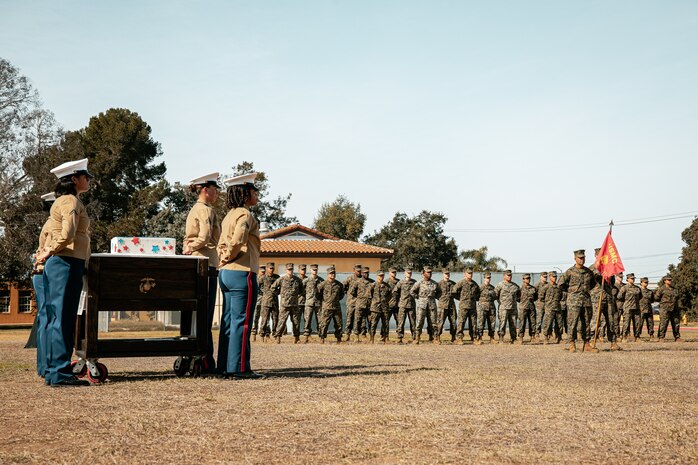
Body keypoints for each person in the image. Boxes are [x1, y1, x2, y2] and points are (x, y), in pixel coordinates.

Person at [35, 159, 92, 387]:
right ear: (75, 179)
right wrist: (50, 250)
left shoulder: (63, 200)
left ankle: (52, 371)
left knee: (56, 318)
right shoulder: (70, 200)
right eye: (86, 176)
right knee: (63, 318)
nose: (88, 180)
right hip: (66, 262)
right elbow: (68, 234)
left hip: (61, 262)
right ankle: (60, 372)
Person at [216, 172, 262, 379]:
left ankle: (225, 366)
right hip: (242, 272)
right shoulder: (244, 214)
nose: (257, 195)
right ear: (245, 194)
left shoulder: (228, 216)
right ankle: (239, 368)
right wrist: (229, 255)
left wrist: (224, 257)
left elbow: (222, 243)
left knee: (228, 321)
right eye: (254, 191)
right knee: (241, 322)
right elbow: (238, 240)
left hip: (226, 273)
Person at [181, 172, 221, 373]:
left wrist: (189, 246)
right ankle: (203, 358)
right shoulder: (204, 210)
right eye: (215, 189)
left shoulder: (201, 209)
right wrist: (191, 246)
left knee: (199, 314)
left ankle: (200, 356)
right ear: (205, 189)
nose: (217, 193)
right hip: (204, 262)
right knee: (204, 314)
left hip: (201, 261)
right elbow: (205, 237)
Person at [26, 192, 56, 378]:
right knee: (48, 319)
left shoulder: (49, 223)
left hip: (41, 272)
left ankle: (44, 366)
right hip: (45, 272)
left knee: (45, 318)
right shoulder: (53, 224)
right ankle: (48, 366)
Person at [558, 250, 597, 353]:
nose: (582, 260)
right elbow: (561, 284)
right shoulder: (570, 271)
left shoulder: (589, 272)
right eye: (579, 258)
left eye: (583, 257)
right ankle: (572, 343)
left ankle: (587, 344)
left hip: (586, 301)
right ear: (575, 258)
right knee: (572, 323)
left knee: (586, 323)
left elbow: (592, 284)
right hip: (573, 302)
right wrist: (572, 291)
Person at [272, 263, 304, 344]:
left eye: (291, 269)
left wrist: (296, 295)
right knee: (281, 322)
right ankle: (278, 337)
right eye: (289, 269)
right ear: (286, 270)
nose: (290, 271)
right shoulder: (281, 279)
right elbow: (272, 288)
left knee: (296, 322)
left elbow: (302, 290)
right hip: (284, 305)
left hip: (294, 305)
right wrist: (279, 293)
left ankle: (297, 338)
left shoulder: (297, 280)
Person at [411, 266, 437, 345]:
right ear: (423, 273)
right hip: (422, 306)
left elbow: (439, 292)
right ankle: (417, 337)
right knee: (419, 322)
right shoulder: (419, 283)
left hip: (431, 305)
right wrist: (418, 298)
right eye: (428, 272)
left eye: (430, 272)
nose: (429, 274)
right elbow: (412, 291)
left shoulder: (435, 284)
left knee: (433, 322)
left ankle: (434, 337)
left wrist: (434, 297)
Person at [317, 266, 344, 343]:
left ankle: (339, 338)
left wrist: (335, 300)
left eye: (334, 273)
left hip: (336, 307)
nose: (332, 275)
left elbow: (341, 295)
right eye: (331, 273)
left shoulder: (339, 285)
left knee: (338, 324)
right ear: (328, 274)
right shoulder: (323, 284)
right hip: (326, 307)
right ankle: (322, 338)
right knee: (324, 324)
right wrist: (325, 302)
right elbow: (318, 295)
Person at [452, 268, 479, 344]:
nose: (470, 275)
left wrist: (474, 300)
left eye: (471, 273)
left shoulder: (475, 284)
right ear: (465, 274)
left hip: (472, 307)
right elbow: (454, 291)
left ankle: (474, 338)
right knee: (461, 322)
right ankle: (459, 338)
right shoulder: (461, 283)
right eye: (468, 273)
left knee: (473, 323)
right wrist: (461, 299)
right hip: (463, 306)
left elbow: (478, 294)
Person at [494, 270, 520, 344]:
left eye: (510, 275)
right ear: (504, 276)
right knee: (502, 324)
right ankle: (501, 338)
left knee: (513, 324)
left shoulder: (515, 286)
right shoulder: (500, 285)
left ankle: (513, 338)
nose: (509, 276)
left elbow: (518, 296)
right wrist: (501, 303)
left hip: (513, 308)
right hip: (503, 308)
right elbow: (495, 295)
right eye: (508, 275)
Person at [654, 276, 682, 343]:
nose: (670, 281)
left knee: (676, 323)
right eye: (668, 280)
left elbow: (677, 298)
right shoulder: (661, 289)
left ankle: (677, 337)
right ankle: (661, 337)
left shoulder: (674, 289)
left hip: (674, 309)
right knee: (663, 323)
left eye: (670, 280)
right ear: (665, 281)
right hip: (665, 309)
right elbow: (656, 298)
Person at [367, 270, 392, 343]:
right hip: (375, 308)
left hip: (384, 307)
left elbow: (390, 296)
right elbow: (369, 296)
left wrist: (385, 302)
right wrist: (373, 303)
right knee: (373, 323)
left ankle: (386, 338)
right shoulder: (373, 285)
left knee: (386, 323)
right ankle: (372, 338)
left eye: (382, 275)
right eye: (380, 276)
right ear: (377, 276)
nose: (381, 277)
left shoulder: (387, 286)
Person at [393, 267, 416, 344]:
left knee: (413, 322)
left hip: (411, 305)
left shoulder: (414, 282)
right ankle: (400, 337)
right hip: (402, 305)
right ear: (405, 273)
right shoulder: (400, 282)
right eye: (407, 273)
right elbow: (395, 291)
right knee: (401, 322)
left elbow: (417, 292)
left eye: (410, 273)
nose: (409, 274)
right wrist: (399, 300)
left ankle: (414, 337)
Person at [258, 263, 280, 342]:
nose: (271, 270)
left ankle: (275, 335)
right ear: (267, 268)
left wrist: (277, 292)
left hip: (274, 302)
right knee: (264, 320)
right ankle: (262, 334)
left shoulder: (277, 277)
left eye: (272, 268)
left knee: (275, 319)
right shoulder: (263, 278)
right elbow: (258, 287)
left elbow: (281, 287)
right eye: (270, 268)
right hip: (266, 302)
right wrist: (263, 293)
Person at [540, 271, 564, 344]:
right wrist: (548, 303)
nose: (555, 278)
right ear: (550, 277)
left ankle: (558, 337)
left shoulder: (558, 287)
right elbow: (541, 297)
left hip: (557, 307)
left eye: (556, 276)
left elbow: (561, 296)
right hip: (549, 308)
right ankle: (546, 337)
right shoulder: (546, 287)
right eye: (553, 276)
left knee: (559, 324)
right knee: (548, 323)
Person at [302, 264, 323, 343]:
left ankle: (321, 337)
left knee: (320, 321)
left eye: (316, 270)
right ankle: (306, 337)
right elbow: (301, 290)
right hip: (309, 303)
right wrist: (307, 296)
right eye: (313, 270)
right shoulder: (306, 281)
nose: (315, 271)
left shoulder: (321, 280)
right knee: (307, 321)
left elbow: (323, 291)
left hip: (318, 304)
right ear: (310, 270)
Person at [434, 269, 457, 344]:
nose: (447, 275)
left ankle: (453, 337)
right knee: (440, 322)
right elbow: (435, 294)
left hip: (451, 306)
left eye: (448, 274)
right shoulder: (439, 284)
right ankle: (437, 337)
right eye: (445, 274)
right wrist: (441, 299)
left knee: (453, 322)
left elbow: (456, 293)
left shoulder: (453, 283)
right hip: (442, 306)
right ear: (443, 274)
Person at [618, 273, 642, 342]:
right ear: (627, 279)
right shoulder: (624, 287)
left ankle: (637, 337)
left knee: (637, 323)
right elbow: (619, 297)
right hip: (627, 307)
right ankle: (624, 337)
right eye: (631, 278)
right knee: (626, 323)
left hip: (636, 307)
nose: (633, 279)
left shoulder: (637, 288)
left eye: (633, 278)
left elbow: (640, 297)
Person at [476, 272, 497, 344]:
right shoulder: (480, 288)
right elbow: (476, 297)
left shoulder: (492, 288)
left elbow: (495, 297)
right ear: (484, 278)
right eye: (487, 278)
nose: (489, 279)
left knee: (492, 323)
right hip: (482, 307)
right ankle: (480, 338)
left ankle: (492, 338)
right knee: (481, 323)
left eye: (489, 278)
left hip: (491, 307)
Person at [343, 264, 362, 341]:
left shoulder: (362, 279)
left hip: (359, 303)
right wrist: (347, 293)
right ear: (354, 271)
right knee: (349, 319)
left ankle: (356, 335)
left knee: (358, 320)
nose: (359, 272)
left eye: (360, 271)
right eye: (357, 271)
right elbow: (343, 285)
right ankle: (347, 335)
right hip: (351, 302)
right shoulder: (350, 278)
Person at [517, 273, 537, 343]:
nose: (528, 280)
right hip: (523, 307)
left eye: (529, 278)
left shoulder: (533, 288)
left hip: (531, 307)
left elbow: (535, 297)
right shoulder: (520, 288)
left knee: (532, 322)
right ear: (523, 280)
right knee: (522, 322)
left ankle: (532, 336)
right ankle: (521, 337)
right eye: (526, 278)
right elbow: (517, 298)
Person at [384, 267, 400, 341]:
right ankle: (385, 336)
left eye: (395, 272)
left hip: (397, 305)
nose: (394, 273)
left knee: (399, 321)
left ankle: (400, 337)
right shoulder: (386, 282)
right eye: (392, 272)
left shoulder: (399, 282)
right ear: (389, 273)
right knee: (386, 321)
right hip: (388, 305)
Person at [251, 265, 265, 341]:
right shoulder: (256, 279)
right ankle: (254, 334)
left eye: (264, 271)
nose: (263, 273)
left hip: (265, 301)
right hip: (257, 300)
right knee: (255, 317)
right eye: (261, 271)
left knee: (265, 318)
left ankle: (264, 335)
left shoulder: (266, 279)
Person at [534, 272, 548, 340]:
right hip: (539, 305)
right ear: (540, 277)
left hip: (548, 304)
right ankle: (537, 333)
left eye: (546, 277)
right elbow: (533, 294)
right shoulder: (537, 285)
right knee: (539, 320)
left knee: (547, 320)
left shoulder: (548, 285)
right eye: (544, 277)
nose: (545, 278)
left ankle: (548, 334)